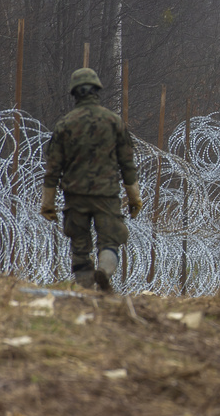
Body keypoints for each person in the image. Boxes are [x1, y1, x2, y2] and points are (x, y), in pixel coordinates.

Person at [40, 68, 143, 291]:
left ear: (74, 93)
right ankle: (104, 271)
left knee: (79, 246)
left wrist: (48, 202)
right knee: (110, 240)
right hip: (106, 195)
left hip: (74, 195)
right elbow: (127, 164)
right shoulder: (114, 122)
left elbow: (53, 168)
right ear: (97, 90)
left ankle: (85, 290)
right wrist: (134, 198)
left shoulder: (65, 124)